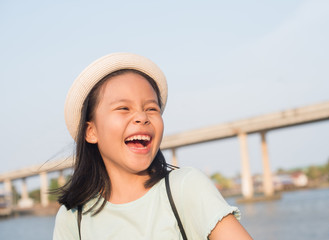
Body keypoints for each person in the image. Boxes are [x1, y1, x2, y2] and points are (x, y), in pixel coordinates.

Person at [53, 52, 253, 240]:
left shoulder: (185, 188)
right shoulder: (73, 218)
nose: (142, 117)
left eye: (151, 108)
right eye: (123, 108)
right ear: (91, 131)